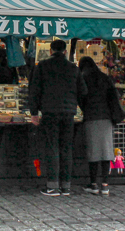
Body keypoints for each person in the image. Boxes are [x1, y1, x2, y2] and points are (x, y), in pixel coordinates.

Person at [28, 39, 86, 196]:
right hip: (68, 113)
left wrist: (34, 112)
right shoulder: (73, 68)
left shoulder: (42, 67)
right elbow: (83, 92)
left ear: (51, 50)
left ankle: (52, 186)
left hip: (49, 112)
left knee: (52, 146)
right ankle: (66, 186)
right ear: (65, 51)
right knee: (66, 148)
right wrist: (82, 110)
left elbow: (34, 90)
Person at [78, 56, 119, 196]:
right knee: (106, 152)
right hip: (106, 118)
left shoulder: (83, 78)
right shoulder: (104, 77)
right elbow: (113, 97)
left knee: (93, 152)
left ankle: (94, 184)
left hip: (91, 118)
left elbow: (81, 97)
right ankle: (105, 185)